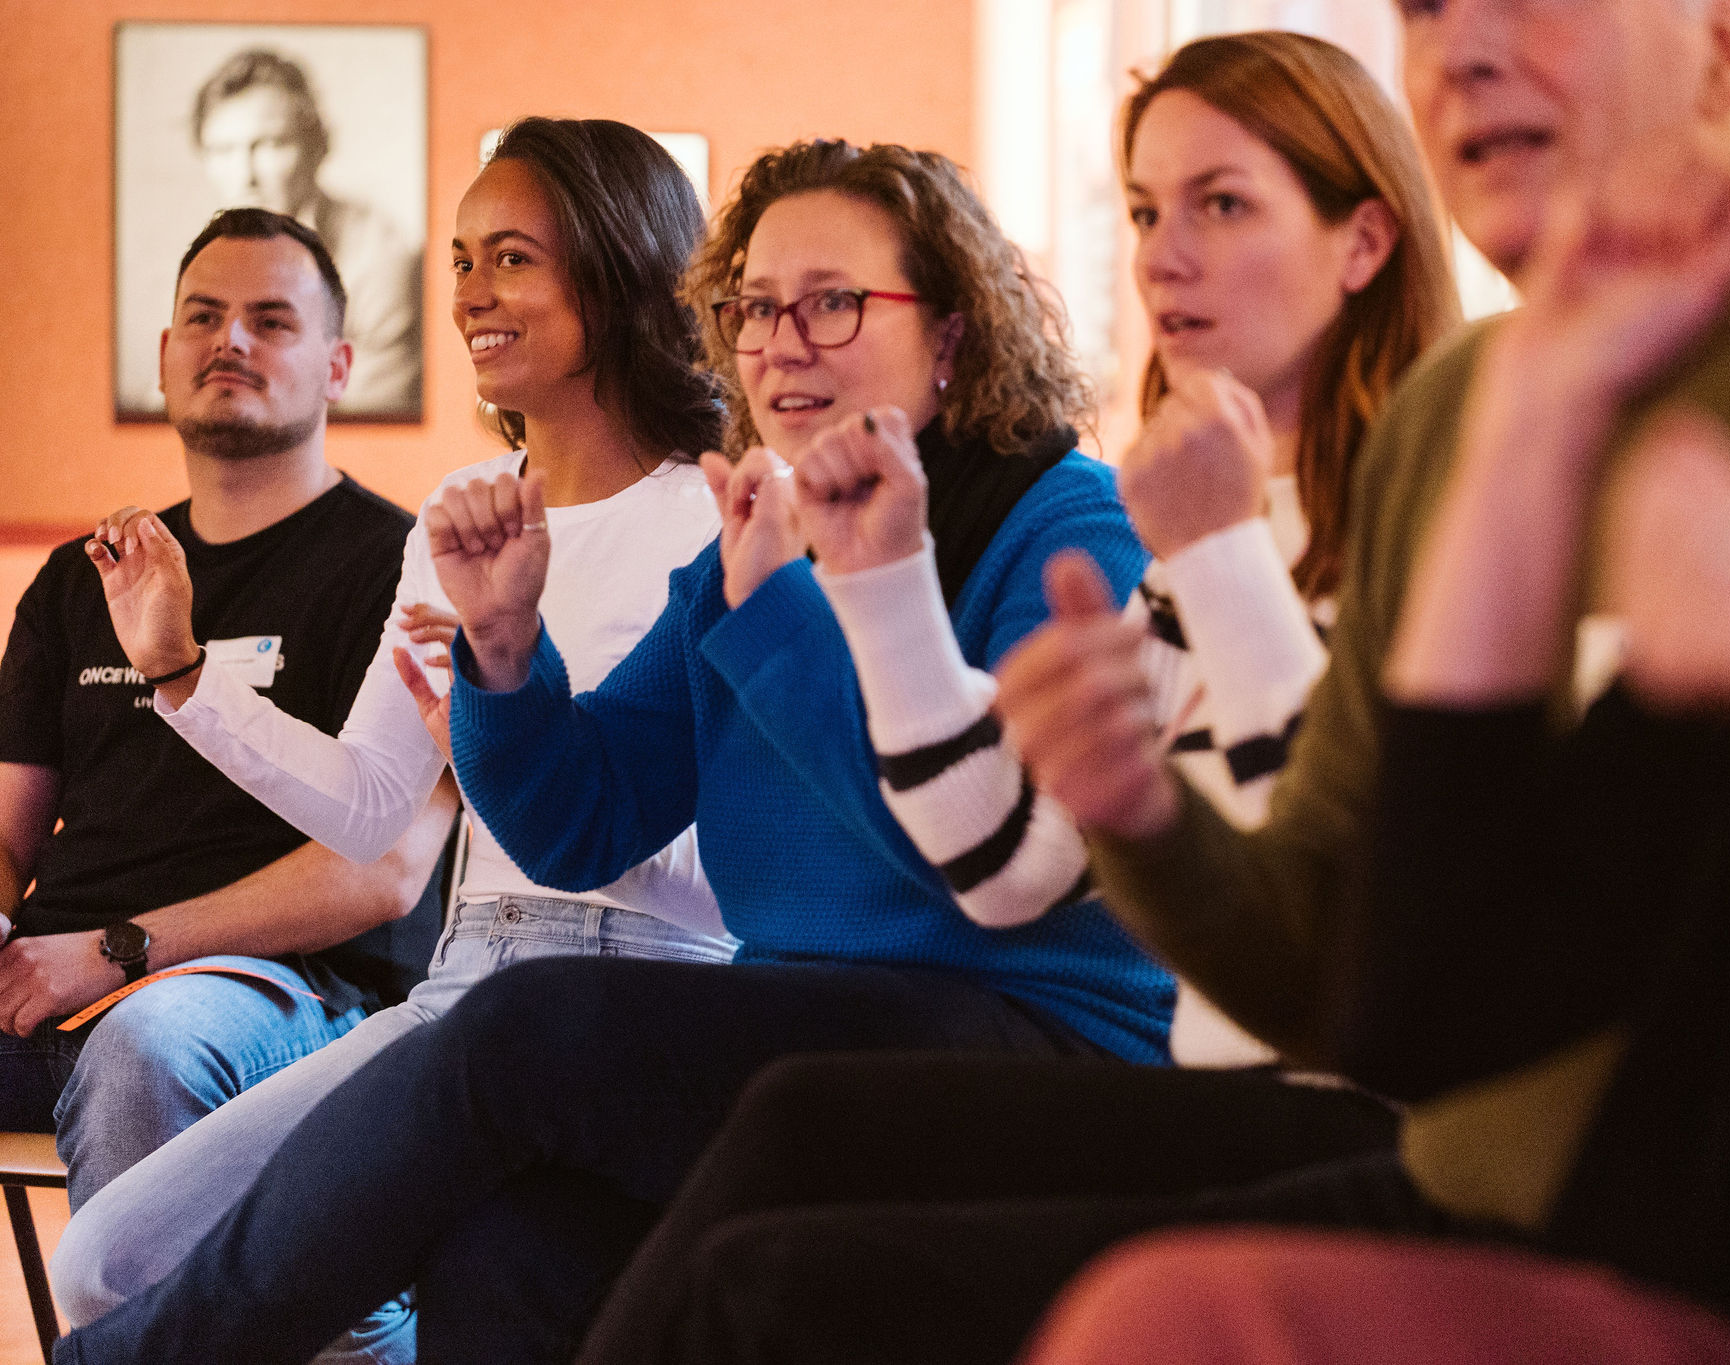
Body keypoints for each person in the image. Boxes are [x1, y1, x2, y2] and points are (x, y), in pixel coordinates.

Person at [1012, 0, 1730, 1353]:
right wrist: (1529, 423)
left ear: (1728, 46)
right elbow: (1428, 1001)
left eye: (1221, 204)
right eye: (1428, 12)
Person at [50, 138, 1168, 1365]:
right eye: (751, 307)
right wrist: (504, 648)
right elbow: (579, 821)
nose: (779, 341)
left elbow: (978, 863)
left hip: (1024, 1038)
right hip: (798, 1018)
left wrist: (784, 608)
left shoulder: (1060, 518)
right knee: (509, 1249)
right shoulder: (747, 546)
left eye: (832, 302)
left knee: (520, 1031)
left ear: (951, 331)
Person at [568, 30, 1461, 1365]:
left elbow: (1364, 913)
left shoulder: (1407, 498)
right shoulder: (1199, 522)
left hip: (1364, 1118)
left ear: (1364, 242)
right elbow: (1010, 863)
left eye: (1223, 204)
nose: (1165, 254)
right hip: (1222, 1101)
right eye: (1149, 210)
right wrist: (884, 585)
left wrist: (1211, 560)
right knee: (776, 1165)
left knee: (780, 1225)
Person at [48, 117, 734, 1365]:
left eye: (514, 258)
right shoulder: (457, 522)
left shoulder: (717, 516)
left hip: (648, 988)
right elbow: (371, 804)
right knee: (110, 1260)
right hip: (463, 982)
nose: (473, 292)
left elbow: (726, 869)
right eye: (464, 258)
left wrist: (516, 749)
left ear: (618, 266)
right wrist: (178, 671)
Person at [0, 206, 454, 1211]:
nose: (231, 341)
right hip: (50, 974)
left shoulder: (405, 567)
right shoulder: (86, 579)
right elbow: (8, 836)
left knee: (149, 1048)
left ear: (338, 366)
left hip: (279, 989)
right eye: (204, 317)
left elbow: (385, 871)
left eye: (272, 321)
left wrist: (122, 951)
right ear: (165, 355)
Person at [192, 48, 422, 417]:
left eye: (270, 145)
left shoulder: (382, 258)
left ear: (318, 147)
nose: (244, 175)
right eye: (222, 150)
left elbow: (369, 417)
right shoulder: (203, 263)